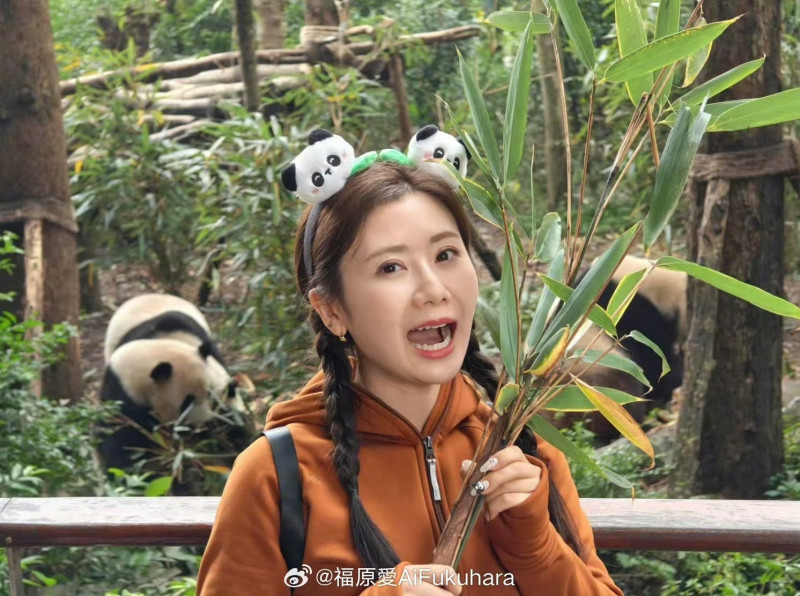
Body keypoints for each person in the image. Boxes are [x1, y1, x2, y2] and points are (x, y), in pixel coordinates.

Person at [197, 146, 622, 595]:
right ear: (331, 309)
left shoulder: (523, 455)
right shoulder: (274, 476)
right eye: (391, 267)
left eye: (446, 254)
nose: (434, 289)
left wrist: (536, 548)